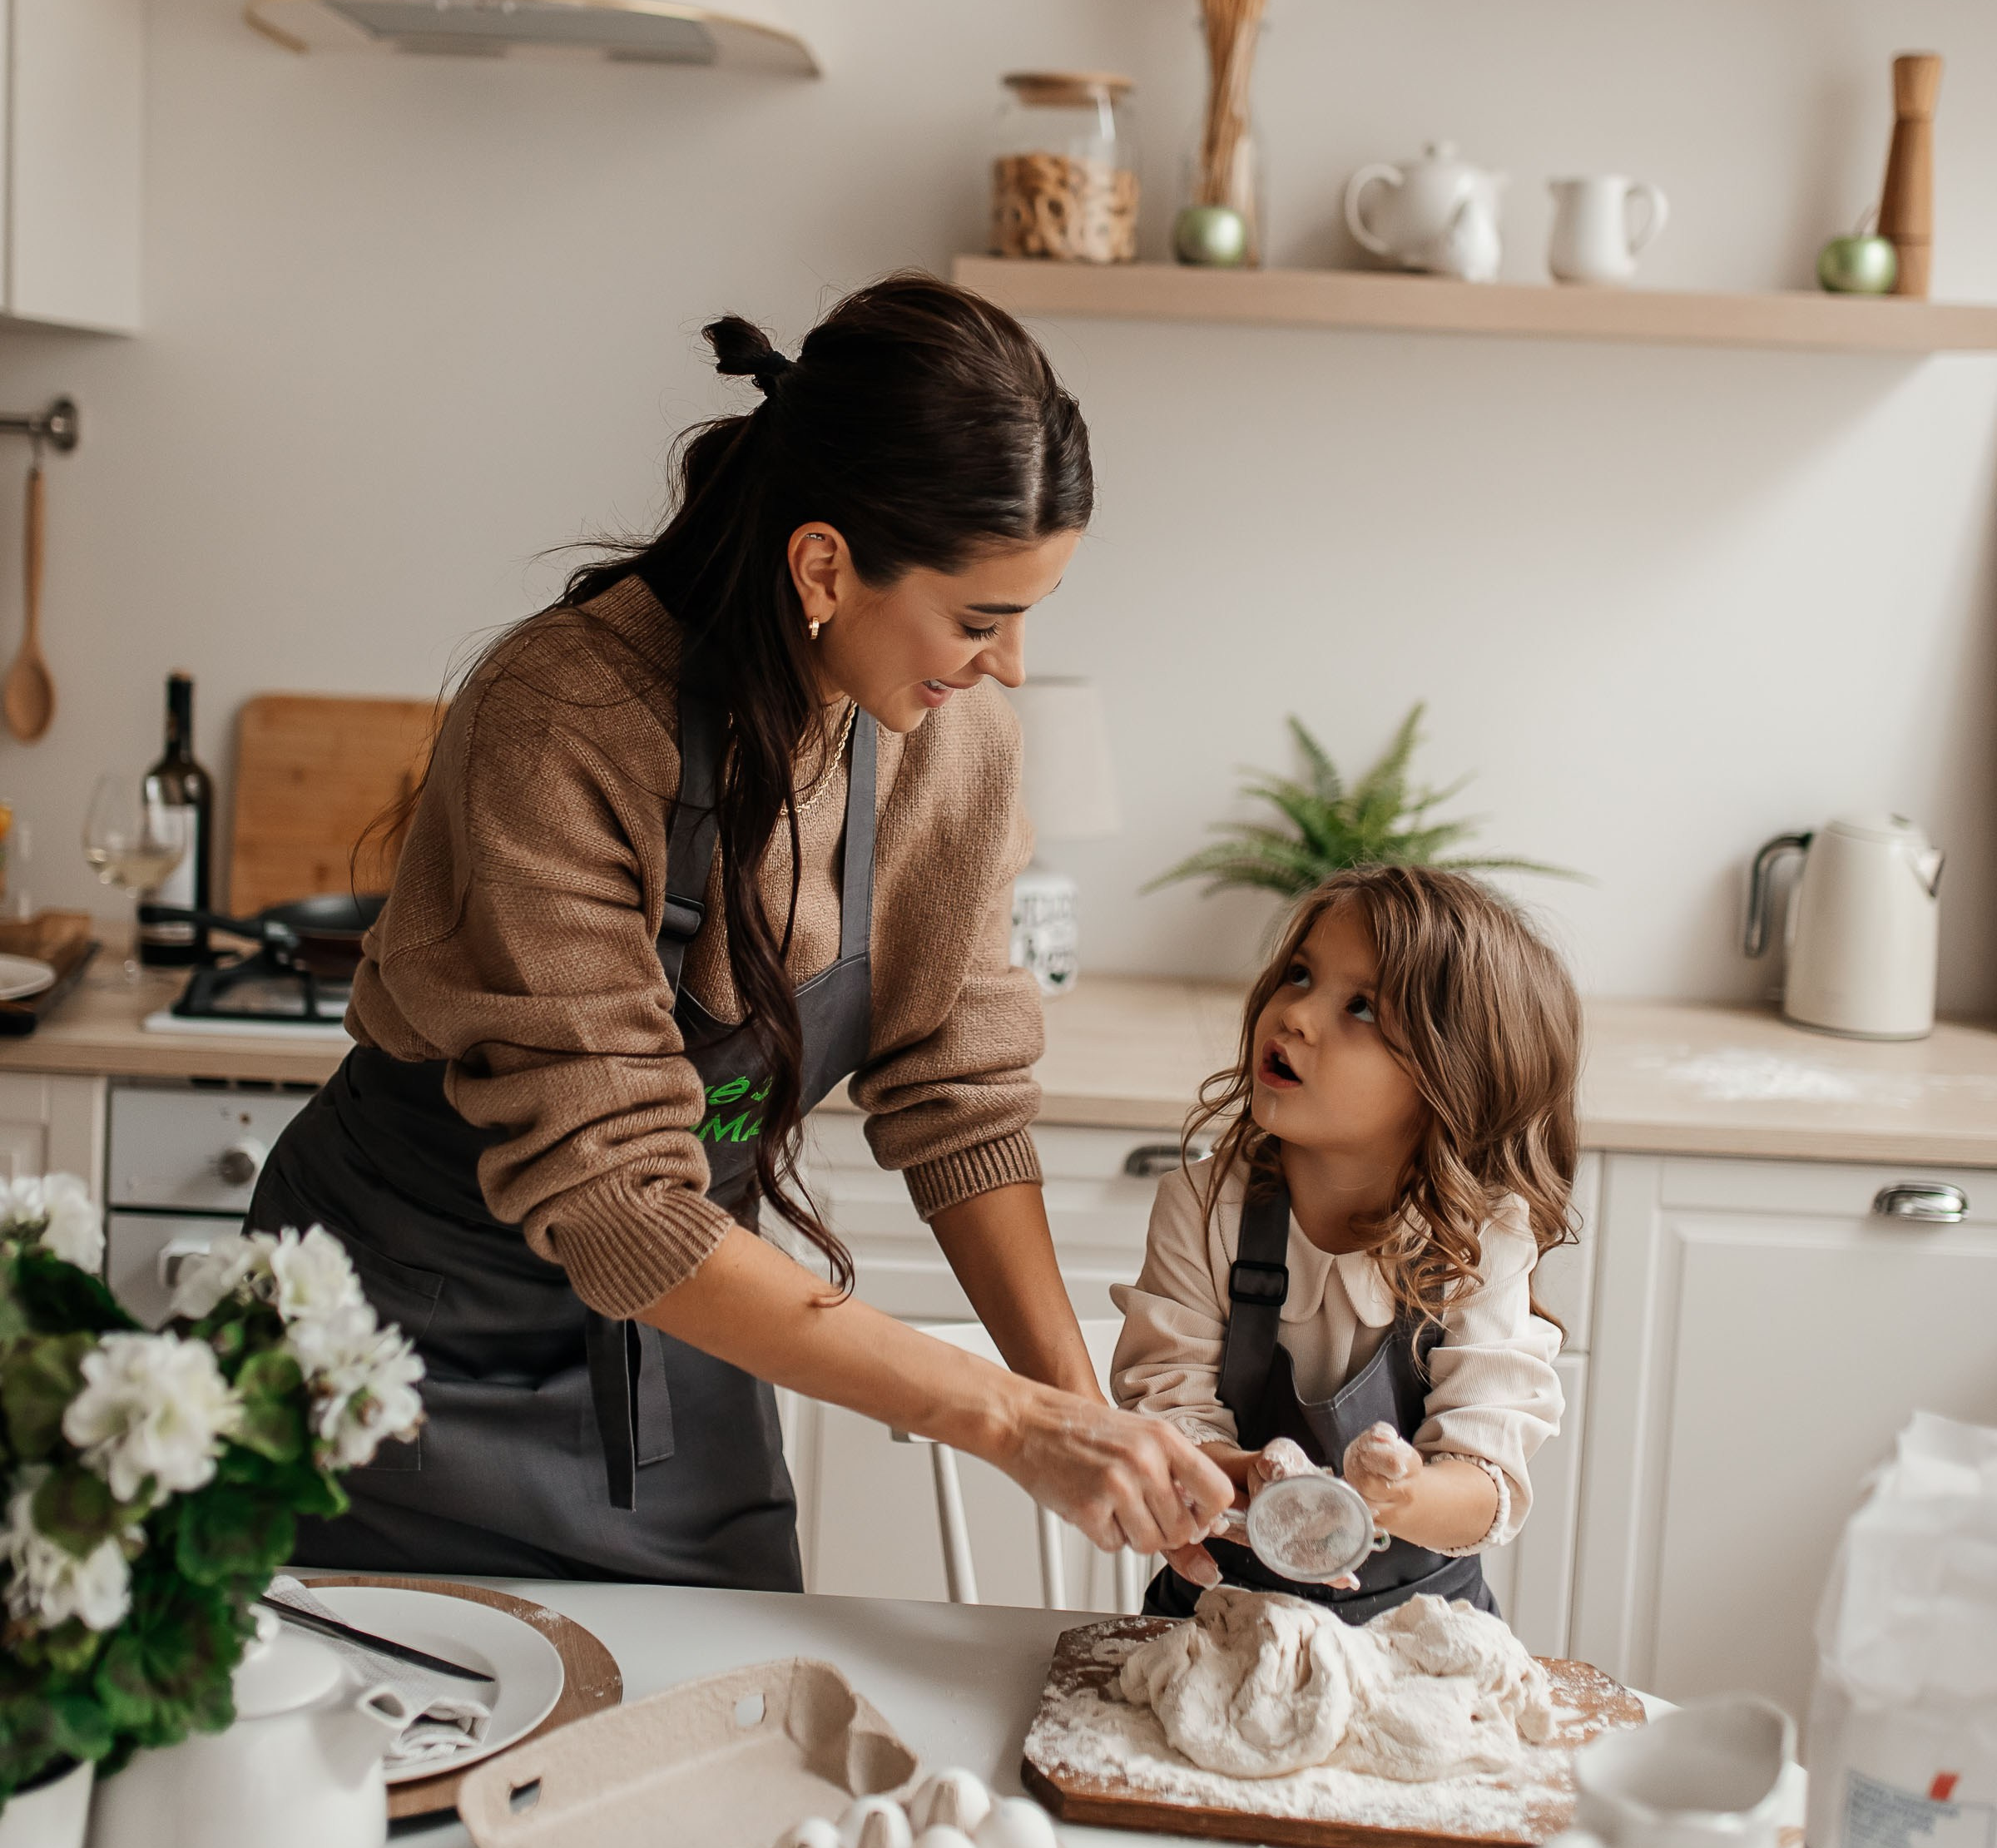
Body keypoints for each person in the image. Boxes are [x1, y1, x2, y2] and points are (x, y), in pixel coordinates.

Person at [252, 273, 1230, 1585]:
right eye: (980, 619)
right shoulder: (570, 718)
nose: (1004, 666)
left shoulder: (952, 746)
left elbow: (961, 1099)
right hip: (402, 1347)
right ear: (825, 564)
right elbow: (617, 1200)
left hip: (696, 1325)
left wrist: (1085, 1412)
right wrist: (1006, 1421)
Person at [1110, 864, 1576, 1620]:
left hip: (1419, 1632)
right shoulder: (1202, 1207)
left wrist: (1403, 1492)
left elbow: (1486, 1479)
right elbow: (1168, 1416)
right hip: (1216, 1617)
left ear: (1451, 1079)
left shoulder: (1480, 1244)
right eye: (1299, 975)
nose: (1295, 1015)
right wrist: (1244, 1473)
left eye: (1361, 1007)